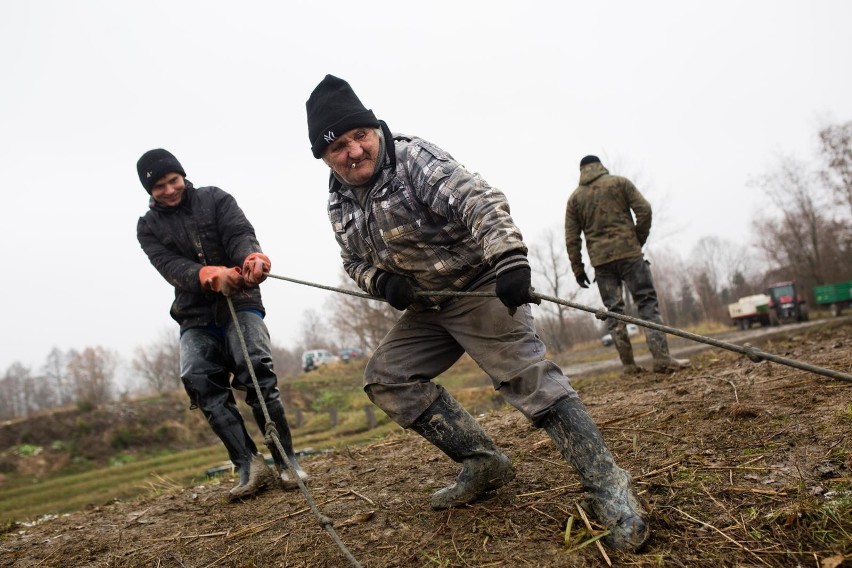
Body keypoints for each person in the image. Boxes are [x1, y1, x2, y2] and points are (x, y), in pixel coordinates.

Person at [304, 75, 649, 552]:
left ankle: (608, 484)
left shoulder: (414, 159)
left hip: (481, 285)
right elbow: (352, 260)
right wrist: (380, 281)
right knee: (386, 378)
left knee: (527, 378)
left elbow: (478, 201)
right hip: (429, 304)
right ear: (324, 156)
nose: (355, 151)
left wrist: (508, 259)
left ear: (374, 130)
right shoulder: (338, 200)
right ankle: (484, 461)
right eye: (339, 146)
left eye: (360, 136)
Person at [135, 148, 308, 501]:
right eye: (159, 186)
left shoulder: (215, 199)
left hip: (241, 302)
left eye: (173, 180)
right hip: (194, 315)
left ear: (182, 175)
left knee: (255, 367)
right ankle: (247, 463)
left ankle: (286, 458)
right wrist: (207, 274)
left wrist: (251, 257)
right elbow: (170, 265)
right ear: (149, 191)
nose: (169, 190)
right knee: (198, 378)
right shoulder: (147, 228)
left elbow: (239, 233)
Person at [565, 155, 688, 374]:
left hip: (602, 263)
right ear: (600, 166)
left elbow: (572, 238)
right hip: (630, 256)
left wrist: (578, 268)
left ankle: (629, 366)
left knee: (614, 312)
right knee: (647, 302)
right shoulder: (620, 183)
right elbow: (645, 210)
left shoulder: (575, 198)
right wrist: (637, 239)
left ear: (581, 171)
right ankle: (661, 359)